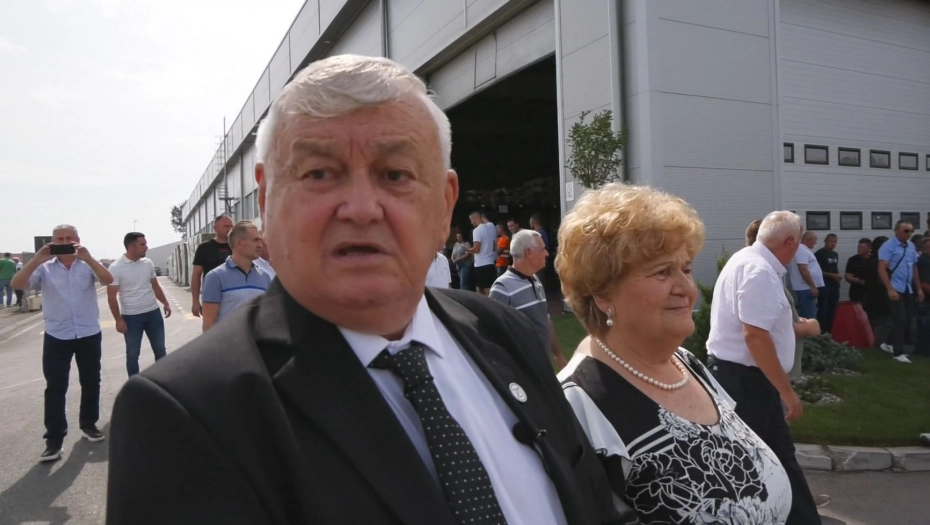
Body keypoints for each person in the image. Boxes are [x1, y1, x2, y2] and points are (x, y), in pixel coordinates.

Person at [107, 55, 634, 525]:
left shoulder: (504, 332)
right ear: (266, 200)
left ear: (444, 202)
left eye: (396, 174)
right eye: (319, 173)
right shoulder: (189, 414)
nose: (361, 208)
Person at [556, 184, 791, 523]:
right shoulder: (578, 406)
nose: (686, 288)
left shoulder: (687, 364)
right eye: (662, 272)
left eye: (686, 270)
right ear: (603, 293)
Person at [707, 211, 823, 525]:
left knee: (778, 457)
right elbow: (755, 336)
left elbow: (763, 329)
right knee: (747, 463)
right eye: (799, 243)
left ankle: (801, 518)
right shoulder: (758, 271)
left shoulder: (749, 261)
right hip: (746, 381)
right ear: (790, 241)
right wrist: (787, 391)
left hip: (746, 379)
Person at [10, 224, 113, 462]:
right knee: (56, 386)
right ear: (52, 241)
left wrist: (89, 258)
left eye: (69, 238)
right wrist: (36, 260)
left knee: (91, 381)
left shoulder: (87, 264)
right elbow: (17, 284)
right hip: (57, 334)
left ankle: (89, 424)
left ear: (78, 240)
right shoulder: (44, 267)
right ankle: (54, 440)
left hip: (88, 332)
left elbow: (108, 280)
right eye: (60, 239)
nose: (65, 242)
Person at [490, 230, 567, 369]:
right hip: (521, 370)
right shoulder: (502, 287)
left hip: (542, 365)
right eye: (542, 249)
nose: (547, 253)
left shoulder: (535, 280)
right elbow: (493, 334)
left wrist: (557, 354)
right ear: (529, 253)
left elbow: (545, 319)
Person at [107, 232, 172, 377]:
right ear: (132, 247)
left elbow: (155, 286)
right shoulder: (116, 267)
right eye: (143, 244)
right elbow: (111, 297)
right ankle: (134, 384)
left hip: (153, 313)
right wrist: (118, 320)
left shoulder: (147, 263)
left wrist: (165, 303)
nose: (147, 247)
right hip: (131, 317)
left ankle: (163, 381)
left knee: (160, 350)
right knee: (132, 354)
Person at [200, 220, 272, 332]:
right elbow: (208, 324)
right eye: (255, 240)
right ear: (239, 243)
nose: (260, 245)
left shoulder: (265, 277)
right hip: (227, 342)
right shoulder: (215, 277)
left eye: (260, 240)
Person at [878, 220, 923, 363]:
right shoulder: (888, 246)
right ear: (897, 230)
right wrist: (890, 289)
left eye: (911, 231)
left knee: (907, 317)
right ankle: (898, 352)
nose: (909, 233)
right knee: (900, 318)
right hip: (895, 286)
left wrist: (918, 288)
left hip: (907, 287)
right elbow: (882, 268)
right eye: (906, 231)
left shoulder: (911, 246)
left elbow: (914, 267)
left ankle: (888, 342)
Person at [190, 215, 233, 317]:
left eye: (231, 226)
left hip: (233, 295)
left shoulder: (237, 246)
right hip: (212, 296)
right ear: (215, 228)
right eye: (226, 226)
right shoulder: (204, 248)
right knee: (211, 325)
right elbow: (196, 275)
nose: (229, 229)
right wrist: (195, 302)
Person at [862, 236, 893, 353]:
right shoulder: (883, 262)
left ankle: (872, 341)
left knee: (874, 319)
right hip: (883, 293)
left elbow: (864, 277)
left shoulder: (868, 261)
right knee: (886, 319)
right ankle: (881, 342)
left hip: (870, 293)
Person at [814, 233, 841, 333]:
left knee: (832, 310)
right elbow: (817, 271)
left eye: (835, 242)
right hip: (824, 285)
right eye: (831, 241)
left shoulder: (835, 254)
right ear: (825, 241)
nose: (833, 244)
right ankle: (821, 331)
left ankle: (829, 331)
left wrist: (837, 277)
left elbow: (835, 268)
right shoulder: (819, 254)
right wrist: (831, 275)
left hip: (834, 285)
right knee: (823, 310)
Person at [467, 210, 497, 295]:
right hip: (490, 262)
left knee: (481, 290)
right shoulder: (491, 228)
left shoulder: (477, 230)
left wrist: (468, 249)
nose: (471, 222)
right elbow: (494, 247)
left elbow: (476, 249)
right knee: (490, 288)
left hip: (481, 263)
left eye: (471, 220)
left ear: (475, 218)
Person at [844, 238, 872, 302]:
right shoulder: (853, 260)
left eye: (861, 247)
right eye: (858, 247)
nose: (859, 249)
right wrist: (857, 280)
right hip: (856, 293)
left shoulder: (874, 260)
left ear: (869, 248)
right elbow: (848, 276)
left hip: (870, 293)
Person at [916, 238, 930, 358]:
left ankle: (921, 349)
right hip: (926, 299)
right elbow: (924, 283)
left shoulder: (921, 260)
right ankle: (924, 351)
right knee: (925, 325)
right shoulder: (925, 262)